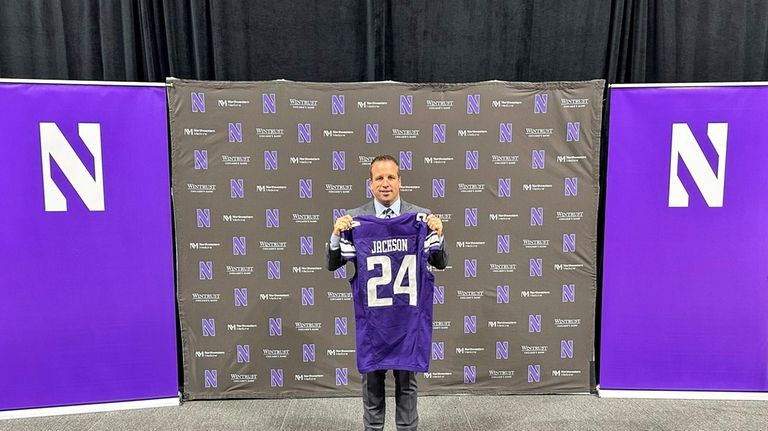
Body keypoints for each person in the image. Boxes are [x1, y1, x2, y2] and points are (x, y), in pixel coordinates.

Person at [325, 154, 448, 431]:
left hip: (407, 321)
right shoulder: (355, 220)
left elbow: (439, 262)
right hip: (374, 323)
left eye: (391, 177)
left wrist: (438, 234)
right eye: (379, 178)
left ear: (400, 181)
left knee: (407, 388)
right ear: (370, 184)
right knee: (372, 389)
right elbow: (333, 265)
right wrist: (336, 235)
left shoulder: (422, 218)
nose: (385, 183)